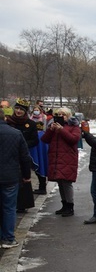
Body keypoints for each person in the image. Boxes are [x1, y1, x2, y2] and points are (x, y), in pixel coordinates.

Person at [41, 107, 81, 217]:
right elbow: (44, 139)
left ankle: (70, 206)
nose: (60, 116)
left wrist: (61, 130)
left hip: (68, 158)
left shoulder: (74, 127)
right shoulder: (53, 126)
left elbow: (74, 139)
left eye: (63, 114)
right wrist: (51, 130)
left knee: (66, 182)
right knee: (60, 182)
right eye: (58, 114)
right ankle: (64, 205)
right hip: (56, 158)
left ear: (68, 116)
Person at [0, 115, 33, 249]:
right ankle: (8, 238)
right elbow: (25, 157)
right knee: (9, 207)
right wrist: (26, 175)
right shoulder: (16, 133)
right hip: (10, 176)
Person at [5, 100, 38, 213]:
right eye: (17, 109)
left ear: (25, 112)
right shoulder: (8, 121)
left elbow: (35, 140)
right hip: (9, 154)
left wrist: (23, 145)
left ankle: (22, 204)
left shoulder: (31, 124)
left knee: (23, 177)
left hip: (23, 154)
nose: (18, 111)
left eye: (21, 110)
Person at [29, 104, 49, 194]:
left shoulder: (44, 118)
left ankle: (42, 186)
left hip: (41, 140)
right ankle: (41, 186)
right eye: (34, 109)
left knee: (41, 161)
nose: (36, 111)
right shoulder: (30, 118)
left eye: (37, 109)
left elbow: (45, 128)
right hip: (34, 139)